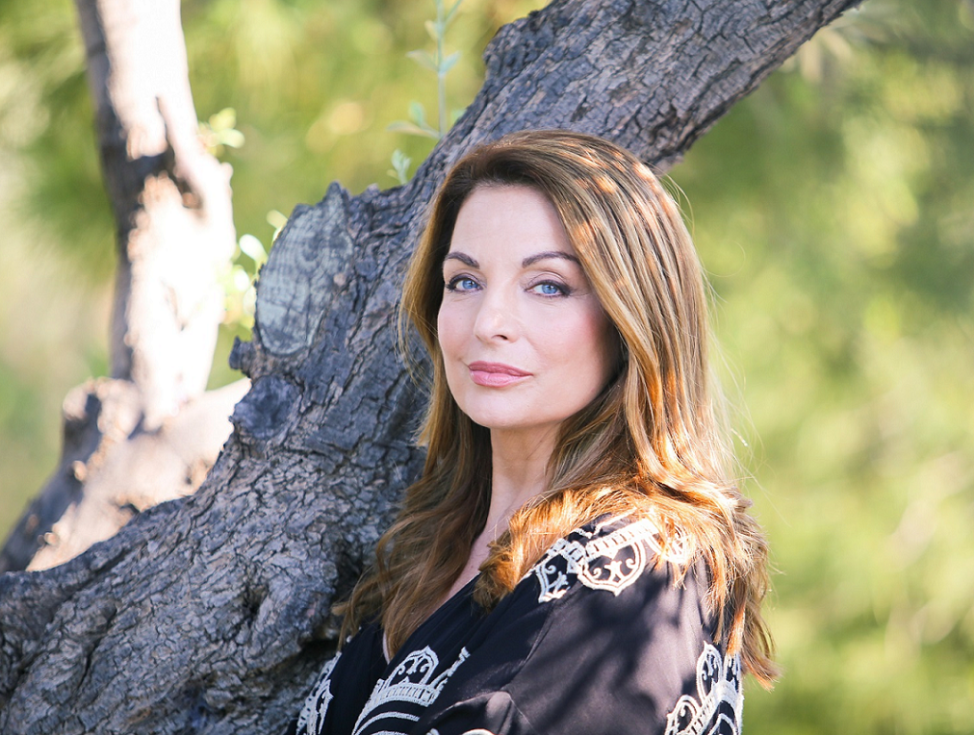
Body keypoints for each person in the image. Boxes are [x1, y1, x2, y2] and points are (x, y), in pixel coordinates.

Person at [294, 129, 776, 735]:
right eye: (464, 281)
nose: (489, 322)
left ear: (631, 319)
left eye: (548, 285)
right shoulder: (432, 553)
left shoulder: (635, 568)